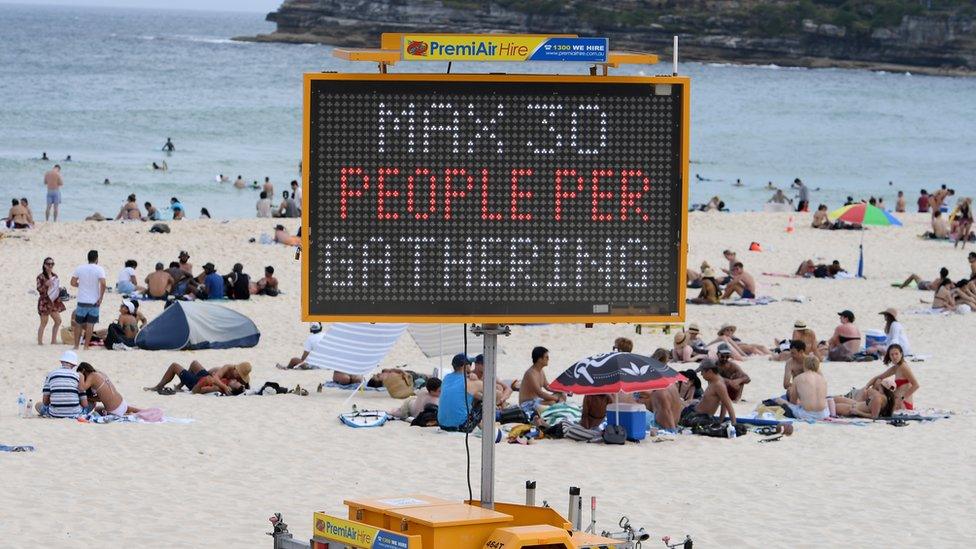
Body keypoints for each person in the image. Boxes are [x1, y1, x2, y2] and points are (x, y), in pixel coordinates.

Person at [863, 344, 919, 411]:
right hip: (895, 402)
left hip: (903, 404)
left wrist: (902, 399)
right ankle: (867, 401)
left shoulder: (904, 367)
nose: (894, 357)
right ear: (889, 356)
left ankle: (866, 403)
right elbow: (879, 377)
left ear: (901, 354)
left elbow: (916, 385)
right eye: (892, 355)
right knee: (878, 381)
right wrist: (866, 387)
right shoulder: (896, 367)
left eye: (896, 354)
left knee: (873, 399)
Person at [679, 359, 736, 425]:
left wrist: (734, 423)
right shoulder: (712, 381)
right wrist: (720, 420)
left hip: (700, 417)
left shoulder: (718, 385)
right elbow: (724, 404)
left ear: (709, 371)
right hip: (694, 412)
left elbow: (728, 405)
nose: (701, 374)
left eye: (702, 372)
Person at [71, 250, 106, 350]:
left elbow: (73, 282)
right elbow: (103, 283)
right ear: (97, 259)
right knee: (90, 324)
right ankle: (86, 346)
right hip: (94, 301)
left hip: (82, 300)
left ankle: (76, 345)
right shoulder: (99, 269)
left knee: (78, 323)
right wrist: (101, 297)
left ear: (88, 258)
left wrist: (81, 285)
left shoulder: (80, 268)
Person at [145, 361, 250, 395]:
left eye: (239, 381)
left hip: (197, 382)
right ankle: (180, 385)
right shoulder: (228, 368)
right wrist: (223, 385)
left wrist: (221, 386)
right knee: (194, 363)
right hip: (207, 376)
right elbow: (216, 378)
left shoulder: (225, 386)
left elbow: (198, 390)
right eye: (238, 377)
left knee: (174, 366)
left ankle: (158, 387)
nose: (237, 380)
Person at [774, 355, 828, 420]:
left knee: (778, 400)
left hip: (806, 414)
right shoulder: (822, 379)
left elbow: (793, 402)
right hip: (823, 414)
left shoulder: (798, 378)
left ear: (804, 365)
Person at [77, 362, 142, 416]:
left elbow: (82, 388)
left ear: (83, 371)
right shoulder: (100, 373)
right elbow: (100, 398)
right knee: (98, 408)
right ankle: (142, 411)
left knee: (96, 411)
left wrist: (80, 376)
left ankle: (130, 414)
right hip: (122, 403)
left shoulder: (92, 376)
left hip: (114, 411)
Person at [36, 351, 88, 418]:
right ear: (74, 364)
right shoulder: (78, 376)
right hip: (76, 413)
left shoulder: (51, 374)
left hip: (54, 414)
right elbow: (84, 403)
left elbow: (45, 401)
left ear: (61, 361)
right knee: (91, 404)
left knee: (38, 405)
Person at [438, 353, 482, 430]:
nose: (471, 366)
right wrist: (476, 379)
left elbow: (458, 393)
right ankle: (486, 428)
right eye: (470, 364)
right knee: (483, 402)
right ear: (464, 366)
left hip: (442, 424)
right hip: (461, 426)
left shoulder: (446, 378)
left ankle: (481, 427)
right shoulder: (468, 381)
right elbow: (491, 392)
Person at [36, 257, 65, 345]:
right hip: (45, 301)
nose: (50, 266)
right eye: (48, 264)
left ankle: (53, 340)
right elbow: (39, 289)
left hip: (53, 301)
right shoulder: (40, 277)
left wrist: (60, 293)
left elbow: (56, 288)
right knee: (44, 322)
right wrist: (45, 284)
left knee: (58, 320)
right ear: (44, 265)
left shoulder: (55, 276)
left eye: (52, 264)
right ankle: (40, 342)